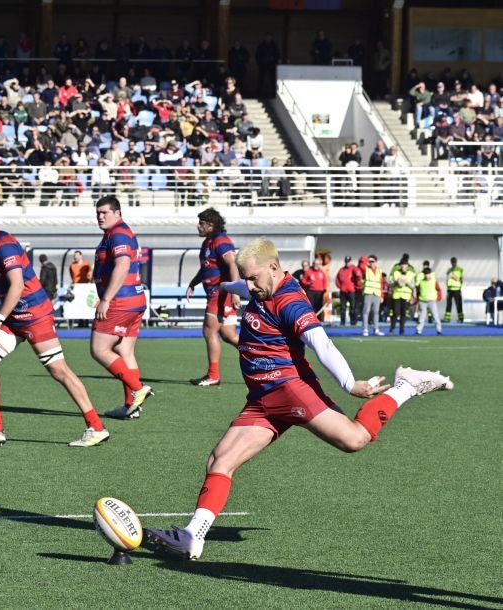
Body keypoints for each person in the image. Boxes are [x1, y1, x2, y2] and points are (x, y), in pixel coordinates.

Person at [144, 238, 453, 561]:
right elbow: (238, 286)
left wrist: (350, 385)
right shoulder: (260, 286)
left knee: (354, 439)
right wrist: (221, 283)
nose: (250, 285)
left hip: (290, 389)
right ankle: (192, 537)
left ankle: (406, 386)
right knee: (219, 461)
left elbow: (322, 344)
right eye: (247, 279)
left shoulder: (291, 302)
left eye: (254, 278)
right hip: (262, 398)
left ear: (274, 268)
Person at [0, 205, 110, 447]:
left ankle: (96, 426)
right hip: (15, 317)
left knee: (59, 370)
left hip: (34, 314)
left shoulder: (3, 243)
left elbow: (17, 285)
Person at [88, 196, 153, 419]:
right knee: (125, 351)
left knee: (99, 349)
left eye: (105, 212)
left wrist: (106, 299)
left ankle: (137, 388)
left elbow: (123, 264)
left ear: (118, 213)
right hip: (134, 300)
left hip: (121, 302)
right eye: (98, 213)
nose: (100, 216)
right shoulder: (116, 233)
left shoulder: (118, 233)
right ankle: (130, 406)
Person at [186, 208, 241, 387]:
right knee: (228, 335)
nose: (198, 226)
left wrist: (234, 293)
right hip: (218, 294)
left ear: (211, 225)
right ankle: (264, 358)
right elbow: (205, 268)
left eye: (201, 223)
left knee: (209, 332)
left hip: (221, 294)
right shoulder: (208, 243)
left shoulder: (221, 241)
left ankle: (213, 375)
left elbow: (233, 264)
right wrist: (193, 283)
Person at [415, 261, 443, 336]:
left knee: (435, 316)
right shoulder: (420, 282)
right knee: (421, 317)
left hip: (432, 301)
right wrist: (417, 299)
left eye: (429, 274)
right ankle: (418, 331)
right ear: (424, 275)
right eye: (426, 274)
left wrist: (439, 297)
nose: (428, 276)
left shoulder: (434, 281)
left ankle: (439, 330)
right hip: (422, 301)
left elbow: (438, 289)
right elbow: (417, 290)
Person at [388, 259, 415, 335]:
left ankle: (402, 330)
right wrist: (397, 282)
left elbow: (413, 286)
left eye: (405, 265)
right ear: (400, 266)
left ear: (408, 266)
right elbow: (390, 283)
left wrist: (407, 283)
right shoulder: (396, 273)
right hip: (397, 296)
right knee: (395, 313)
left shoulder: (411, 274)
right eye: (402, 265)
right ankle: (392, 328)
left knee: (404, 314)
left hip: (406, 296)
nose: (404, 267)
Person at [361, 255, 385, 337]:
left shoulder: (379, 271)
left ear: (376, 262)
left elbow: (381, 283)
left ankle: (376, 329)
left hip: (377, 294)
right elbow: (361, 265)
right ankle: (365, 329)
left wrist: (382, 296)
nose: (371, 263)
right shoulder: (366, 269)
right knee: (366, 311)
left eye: (373, 261)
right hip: (368, 293)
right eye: (370, 261)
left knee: (376, 312)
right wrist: (366, 260)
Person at [334, 256, 361, 326]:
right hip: (343, 292)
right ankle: (342, 322)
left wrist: (356, 287)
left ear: (351, 261)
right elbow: (337, 280)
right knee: (343, 308)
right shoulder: (341, 270)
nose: (347, 263)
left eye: (348, 261)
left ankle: (353, 322)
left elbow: (358, 277)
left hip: (352, 291)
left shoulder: (354, 269)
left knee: (353, 307)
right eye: (346, 261)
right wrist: (341, 287)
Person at [444, 257, 464, 323]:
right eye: (452, 261)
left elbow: (460, 279)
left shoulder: (460, 269)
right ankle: (447, 318)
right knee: (448, 304)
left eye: (454, 261)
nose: (453, 263)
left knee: (458, 304)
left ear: (456, 261)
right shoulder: (449, 269)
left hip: (456, 289)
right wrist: (447, 285)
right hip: (450, 289)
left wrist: (453, 275)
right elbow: (447, 278)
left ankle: (461, 318)